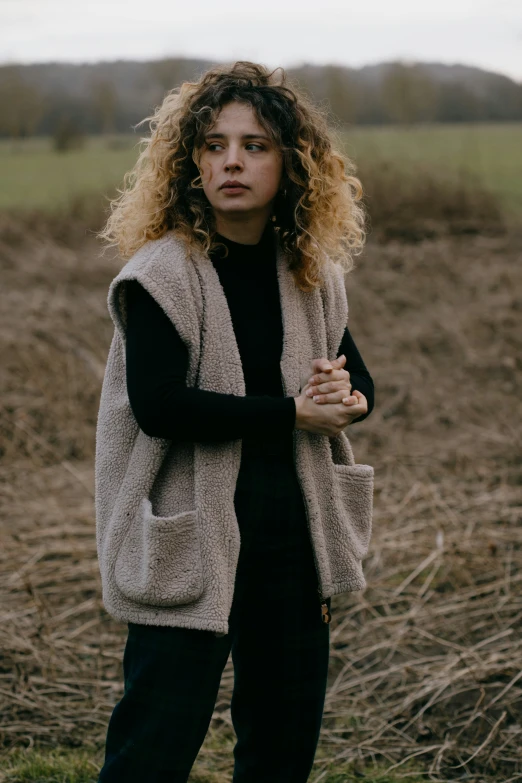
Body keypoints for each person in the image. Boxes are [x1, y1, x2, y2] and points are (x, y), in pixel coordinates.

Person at [95, 61, 375, 783]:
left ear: (291, 162)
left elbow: (358, 382)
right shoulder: (161, 273)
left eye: (255, 146)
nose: (232, 162)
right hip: (192, 530)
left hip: (292, 530)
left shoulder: (310, 272)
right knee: (154, 742)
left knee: (282, 743)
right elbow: (160, 405)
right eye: (215, 145)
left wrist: (342, 394)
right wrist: (291, 412)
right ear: (191, 162)